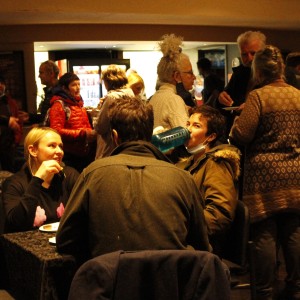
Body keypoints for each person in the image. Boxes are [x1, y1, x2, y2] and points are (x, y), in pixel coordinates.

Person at [56, 96, 210, 264]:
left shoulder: (92, 174)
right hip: (170, 285)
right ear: (150, 134)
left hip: (109, 284)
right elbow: (202, 245)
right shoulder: (182, 178)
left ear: (115, 136)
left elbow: (65, 241)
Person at [230, 45, 300, 300]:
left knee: (265, 233)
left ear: (258, 71)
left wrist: (238, 120)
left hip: (264, 177)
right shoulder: (298, 95)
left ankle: (264, 291)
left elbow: (243, 135)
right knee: (294, 231)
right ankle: (295, 288)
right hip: (295, 173)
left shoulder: (258, 97)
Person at [176, 105, 240, 256]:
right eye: (188, 124)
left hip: (203, 248)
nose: (188, 130)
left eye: (196, 126)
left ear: (211, 136)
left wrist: (181, 228)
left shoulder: (217, 164)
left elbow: (220, 214)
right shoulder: (187, 163)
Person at [2, 127, 80, 233]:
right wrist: (38, 179)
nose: (59, 151)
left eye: (60, 146)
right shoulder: (14, 183)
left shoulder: (69, 175)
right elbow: (17, 223)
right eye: (52, 146)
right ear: (33, 150)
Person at [217, 31, 266, 136]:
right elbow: (224, 103)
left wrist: (252, 108)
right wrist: (221, 98)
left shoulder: (272, 75)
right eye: (244, 54)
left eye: (253, 53)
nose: (249, 58)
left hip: (263, 134)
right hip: (238, 132)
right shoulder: (239, 74)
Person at [48, 72, 97, 172]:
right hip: (69, 155)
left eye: (79, 84)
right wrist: (82, 134)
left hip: (84, 153)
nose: (78, 87)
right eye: (73, 85)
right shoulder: (59, 105)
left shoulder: (79, 103)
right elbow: (56, 131)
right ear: (64, 88)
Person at [150, 33, 196, 129]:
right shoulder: (174, 100)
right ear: (176, 76)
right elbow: (186, 137)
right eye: (190, 73)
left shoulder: (153, 98)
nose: (194, 77)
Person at [94, 64, 135, 159]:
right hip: (125, 146)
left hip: (110, 147)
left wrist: (95, 115)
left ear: (108, 81)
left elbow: (101, 127)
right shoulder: (130, 94)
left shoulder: (111, 98)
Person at [0, 75, 23, 172]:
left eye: (2, 83)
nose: (0, 86)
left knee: (10, 172)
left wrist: (16, 141)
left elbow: (18, 123)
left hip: (8, 145)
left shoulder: (10, 101)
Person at [28, 60, 60, 125]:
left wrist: (41, 126)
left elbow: (57, 119)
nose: (39, 76)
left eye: (41, 73)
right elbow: (45, 116)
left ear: (51, 73)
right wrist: (29, 117)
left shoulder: (59, 92)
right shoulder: (50, 91)